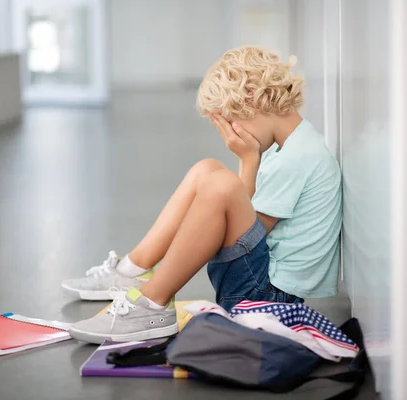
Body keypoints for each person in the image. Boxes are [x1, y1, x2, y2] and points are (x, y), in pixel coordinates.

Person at [62, 46, 342, 343]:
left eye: (231, 122)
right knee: (206, 169)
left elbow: (249, 231)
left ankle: (153, 302)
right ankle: (132, 270)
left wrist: (247, 162)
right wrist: (247, 163)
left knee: (222, 185)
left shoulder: (295, 158)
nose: (231, 136)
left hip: (265, 300)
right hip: (261, 285)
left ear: (253, 100)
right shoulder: (293, 145)